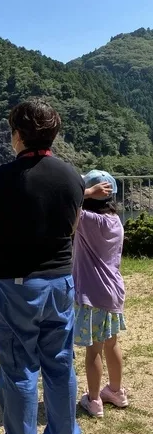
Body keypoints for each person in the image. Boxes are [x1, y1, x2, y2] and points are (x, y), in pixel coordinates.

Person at [0, 98, 106, 434]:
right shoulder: (71, 176)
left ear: (17, 135)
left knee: (19, 366)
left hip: (16, 282)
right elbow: (72, 227)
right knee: (60, 360)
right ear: (53, 133)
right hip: (61, 280)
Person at [73, 170, 128, 417]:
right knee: (111, 343)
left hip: (92, 294)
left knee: (93, 349)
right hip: (113, 292)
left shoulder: (87, 220)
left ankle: (94, 400)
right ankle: (115, 391)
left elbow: (65, 202)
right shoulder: (115, 220)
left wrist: (83, 192)